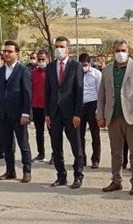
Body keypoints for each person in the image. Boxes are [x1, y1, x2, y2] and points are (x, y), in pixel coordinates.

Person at [97, 39, 133, 196]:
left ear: (128, 51)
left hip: (132, 117)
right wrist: (100, 115)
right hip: (113, 117)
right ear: (113, 51)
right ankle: (116, 181)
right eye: (117, 50)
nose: (120, 53)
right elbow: (101, 95)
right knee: (116, 152)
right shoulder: (107, 70)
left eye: (123, 50)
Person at [45, 37, 85, 188]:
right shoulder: (50, 67)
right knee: (56, 147)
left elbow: (79, 91)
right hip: (54, 113)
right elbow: (47, 91)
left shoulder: (76, 66)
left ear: (68, 49)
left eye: (62, 46)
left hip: (71, 113)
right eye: (57, 46)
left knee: (76, 146)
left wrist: (77, 114)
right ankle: (61, 176)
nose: (59, 49)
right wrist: (47, 113)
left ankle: (78, 176)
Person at [0, 40, 33, 183]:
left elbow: (27, 93)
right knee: (7, 145)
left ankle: (27, 171)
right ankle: (10, 171)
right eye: (5, 51)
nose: (7, 54)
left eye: (10, 51)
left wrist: (25, 113)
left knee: (23, 144)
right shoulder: (0, 71)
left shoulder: (23, 70)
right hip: (3, 114)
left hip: (19, 114)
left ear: (17, 53)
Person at [80, 53, 103, 168]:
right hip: (80, 106)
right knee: (80, 135)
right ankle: (81, 158)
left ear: (89, 63)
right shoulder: (76, 74)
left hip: (92, 104)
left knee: (95, 134)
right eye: (81, 65)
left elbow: (100, 91)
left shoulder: (96, 74)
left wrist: (99, 109)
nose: (83, 67)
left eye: (85, 65)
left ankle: (95, 159)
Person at [30, 50, 49, 162]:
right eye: (39, 59)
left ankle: (55, 154)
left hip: (49, 107)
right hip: (36, 106)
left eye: (43, 59)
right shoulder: (33, 73)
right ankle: (41, 154)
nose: (41, 61)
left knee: (53, 133)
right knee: (39, 131)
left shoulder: (52, 72)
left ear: (47, 59)